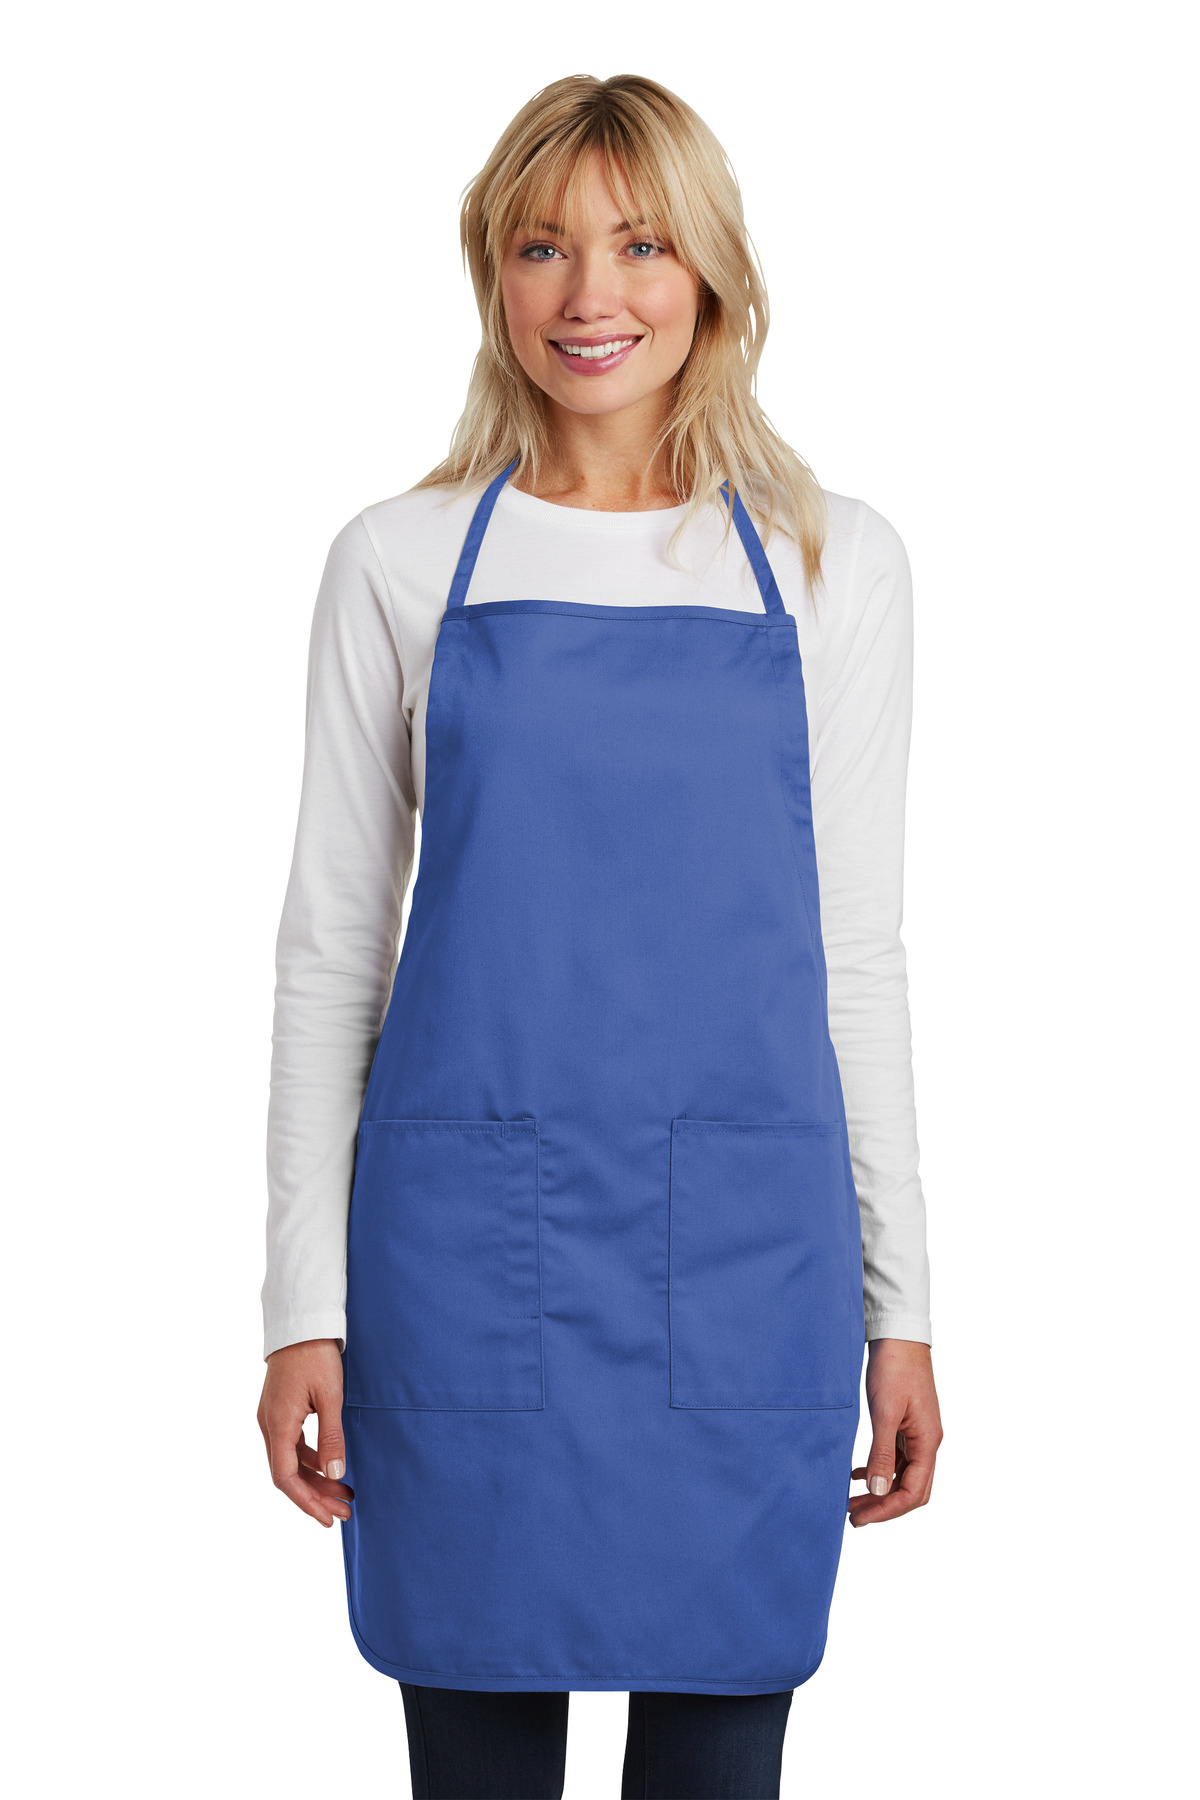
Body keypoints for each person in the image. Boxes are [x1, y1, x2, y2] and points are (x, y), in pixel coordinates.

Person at [257, 72, 942, 1800]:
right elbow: (332, 954)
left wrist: (905, 1307)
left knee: (718, 1758)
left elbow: (858, 954)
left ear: (712, 273)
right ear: (492, 272)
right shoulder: (400, 561)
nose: (591, 294)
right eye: (542, 247)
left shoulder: (832, 565)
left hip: (748, 1268)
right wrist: (300, 1305)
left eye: (641, 245)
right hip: (462, 1270)